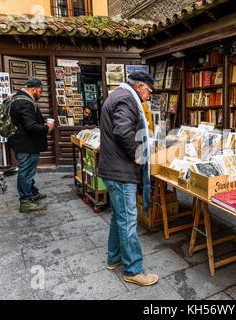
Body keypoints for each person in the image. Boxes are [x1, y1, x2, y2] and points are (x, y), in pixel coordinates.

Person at [98, 71, 158, 286]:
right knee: (128, 221)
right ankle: (133, 269)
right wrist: (139, 156)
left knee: (118, 216)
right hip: (120, 171)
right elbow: (123, 130)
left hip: (113, 168)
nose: (148, 97)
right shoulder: (126, 98)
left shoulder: (117, 95)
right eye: (149, 92)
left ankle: (114, 258)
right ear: (140, 86)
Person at [8, 78, 54, 213]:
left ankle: (32, 193)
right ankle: (25, 201)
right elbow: (31, 126)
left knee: (28, 171)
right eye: (40, 91)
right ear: (33, 90)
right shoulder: (25, 102)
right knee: (26, 172)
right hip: (26, 145)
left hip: (20, 143)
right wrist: (47, 127)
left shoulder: (17, 97)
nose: (42, 94)